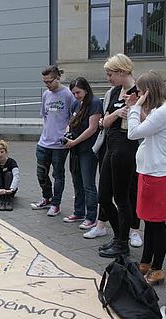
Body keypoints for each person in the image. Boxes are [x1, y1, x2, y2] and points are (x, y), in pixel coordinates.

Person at [126, 71, 166, 285]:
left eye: (139, 91)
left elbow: (134, 133)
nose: (137, 94)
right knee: (149, 221)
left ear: (148, 92)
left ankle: (157, 269)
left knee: (157, 224)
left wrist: (134, 108)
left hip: (158, 175)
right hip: (149, 172)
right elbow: (149, 128)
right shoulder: (159, 110)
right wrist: (138, 107)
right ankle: (146, 262)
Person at [96, 53, 141, 258]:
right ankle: (118, 237)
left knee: (122, 198)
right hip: (110, 146)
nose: (109, 78)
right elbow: (103, 122)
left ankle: (123, 242)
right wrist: (118, 112)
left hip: (125, 148)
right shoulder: (114, 92)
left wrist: (132, 109)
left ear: (122, 72)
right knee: (103, 197)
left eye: (111, 74)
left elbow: (145, 121)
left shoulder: (139, 92)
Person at [31, 65, 76, 216]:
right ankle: (47, 197)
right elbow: (45, 115)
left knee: (58, 175)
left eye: (49, 81)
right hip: (43, 142)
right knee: (41, 174)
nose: (47, 85)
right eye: (44, 82)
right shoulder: (45, 95)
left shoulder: (69, 95)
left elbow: (73, 118)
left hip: (59, 145)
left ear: (58, 78)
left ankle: (56, 204)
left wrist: (65, 135)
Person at [63, 77, 101, 229]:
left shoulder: (95, 103)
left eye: (78, 92)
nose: (76, 95)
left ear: (86, 89)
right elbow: (70, 123)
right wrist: (67, 134)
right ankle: (79, 211)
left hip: (88, 150)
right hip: (75, 149)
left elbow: (92, 129)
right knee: (76, 181)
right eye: (73, 93)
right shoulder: (75, 103)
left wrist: (75, 141)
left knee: (88, 184)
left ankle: (91, 216)